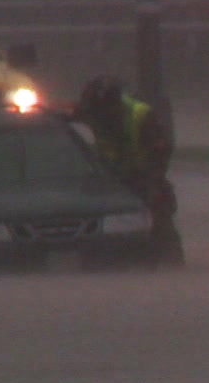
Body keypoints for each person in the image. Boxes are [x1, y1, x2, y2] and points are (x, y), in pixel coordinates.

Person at [74, 76, 183, 265]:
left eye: (105, 111)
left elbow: (161, 151)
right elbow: (72, 117)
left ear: (114, 104)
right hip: (109, 178)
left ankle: (170, 261)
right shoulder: (91, 111)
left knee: (159, 216)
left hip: (142, 176)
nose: (102, 117)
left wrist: (153, 179)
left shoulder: (141, 116)